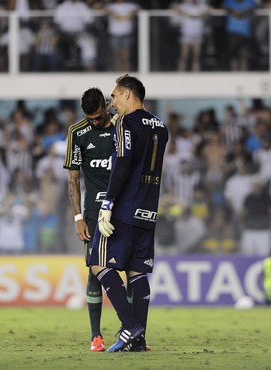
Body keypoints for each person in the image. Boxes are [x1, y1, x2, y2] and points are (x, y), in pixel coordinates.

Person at [89, 74, 168, 352]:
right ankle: (139, 341)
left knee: (98, 263)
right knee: (137, 272)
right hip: (149, 209)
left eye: (114, 96)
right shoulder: (161, 126)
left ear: (128, 94)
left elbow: (122, 163)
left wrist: (108, 204)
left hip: (125, 207)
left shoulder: (126, 122)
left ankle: (130, 326)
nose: (111, 103)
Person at [63, 88, 118, 351]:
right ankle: (96, 336)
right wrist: (78, 217)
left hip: (123, 209)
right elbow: (73, 178)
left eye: (98, 117)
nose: (94, 122)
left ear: (107, 106)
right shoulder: (78, 133)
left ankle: (131, 332)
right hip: (94, 213)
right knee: (95, 270)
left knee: (129, 269)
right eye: (90, 118)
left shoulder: (123, 125)